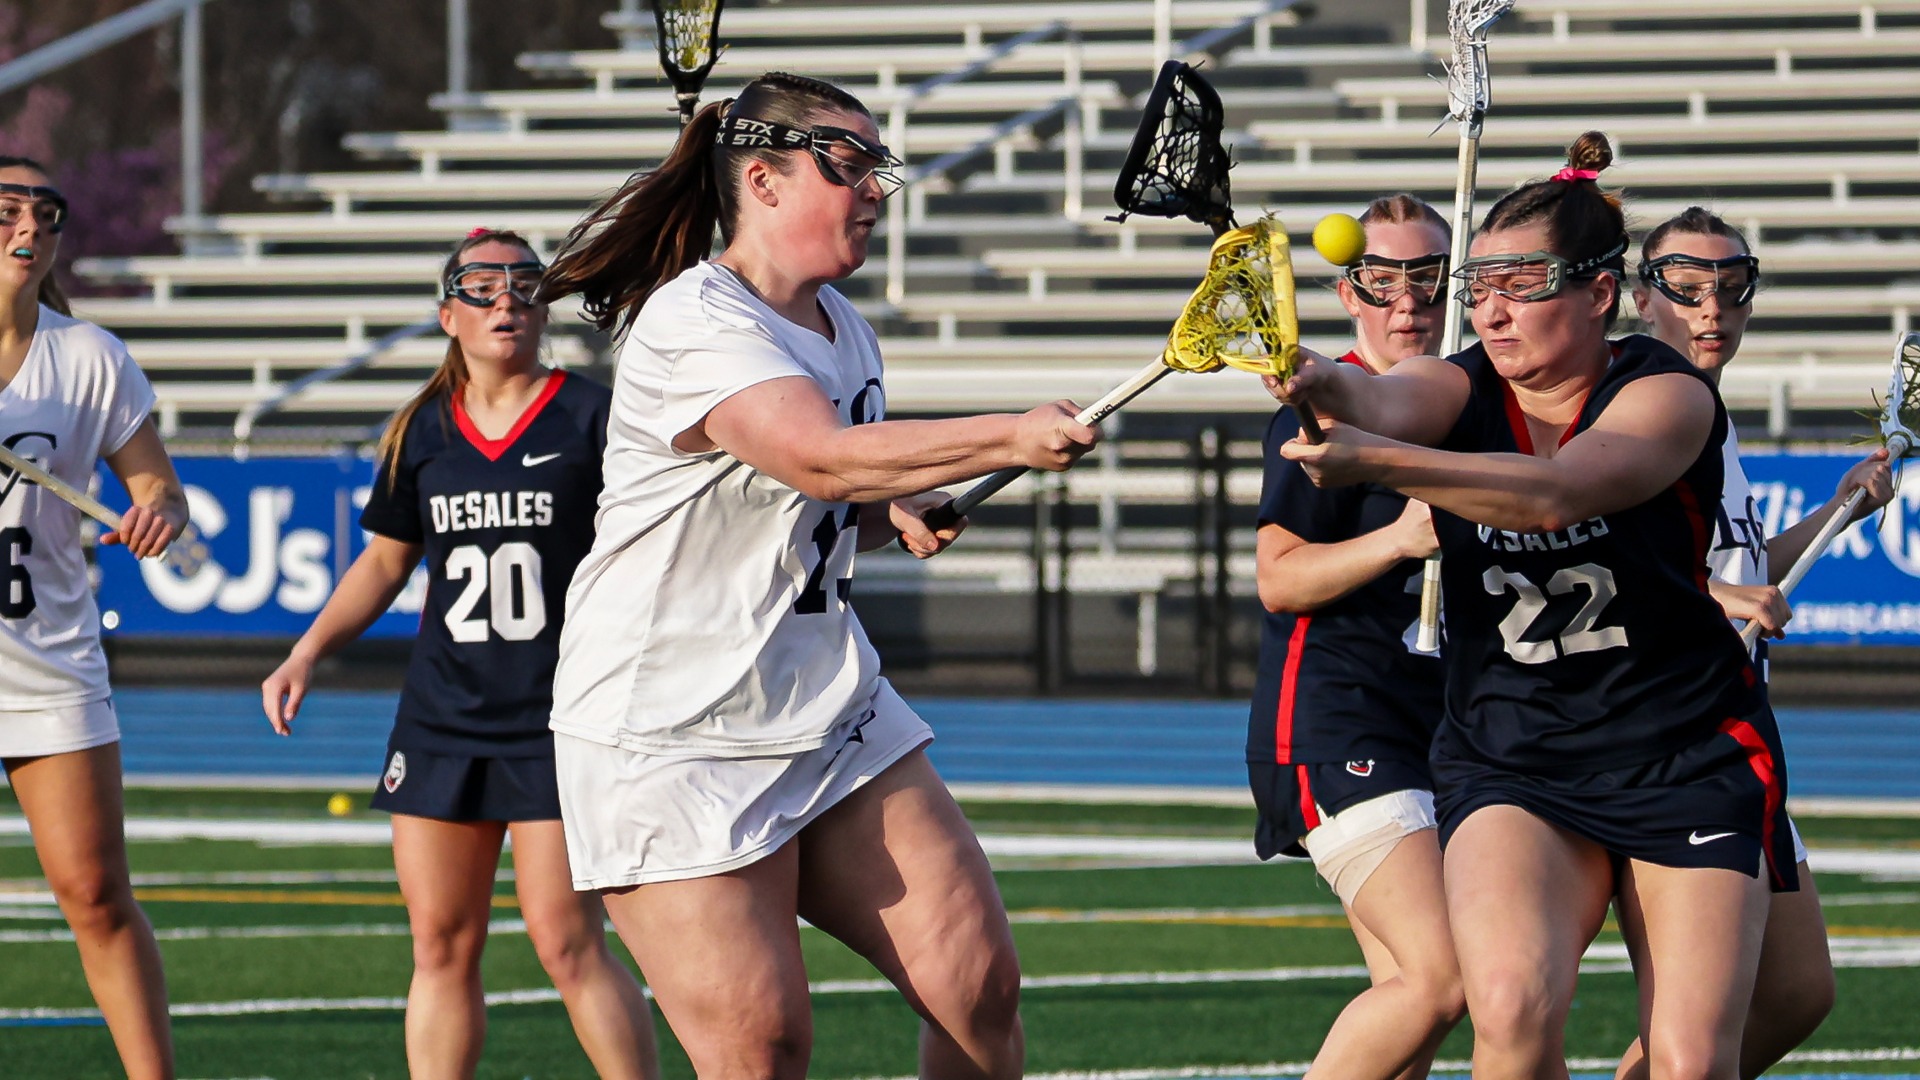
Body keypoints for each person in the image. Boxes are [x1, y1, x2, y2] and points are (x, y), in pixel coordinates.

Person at [535, 71, 1097, 1079]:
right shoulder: (696, 318)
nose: (877, 189)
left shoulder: (847, 326)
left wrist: (893, 513)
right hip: (671, 735)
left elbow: (824, 504)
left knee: (976, 985)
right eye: (851, 165)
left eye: (880, 165)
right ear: (763, 179)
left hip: (826, 706)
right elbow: (815, 456)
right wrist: (1005, 432)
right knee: (761, 1050)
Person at [1273, 133, 1792, 1079]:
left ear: (1599, 293)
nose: (1492, 311)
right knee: (1506, 1010)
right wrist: (1318, 382)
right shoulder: (1459, 381)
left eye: (1523, 283)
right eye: (1480, 286)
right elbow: (1380, 400)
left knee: (1688, 1060)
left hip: (1679, 750)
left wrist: (1379, 463)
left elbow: (1556, 491)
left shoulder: (1666, 395)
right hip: (1513, 755)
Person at [260, 229, 659, 1080]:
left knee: (566, 942)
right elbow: (384, 561)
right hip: (442, 714)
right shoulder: (421, 428)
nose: (506, 299)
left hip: (559, 717)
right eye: (482, 286)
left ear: (545, 307)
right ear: (448, 315)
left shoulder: (594, 415)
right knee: (440, 944)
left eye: (524, 283)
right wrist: (306, 653)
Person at [1614, 206, 1893, 1080]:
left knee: (1798, 990)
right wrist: (1713, 594)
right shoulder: (1633, 406)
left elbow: (1738, 564)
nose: (1713, 312)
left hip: (1732, 727)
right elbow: (1598, 557)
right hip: (1660, 733)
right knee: (1699, 1043)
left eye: (1731, 291)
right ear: (1637, 296)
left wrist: (1837, 512)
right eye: (1689, 290)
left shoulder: (1710, 413)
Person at [1249, 193, 1462, 1080]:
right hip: (1338, 724)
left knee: (1408, 1006)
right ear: (1349, 292)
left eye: (1428, 278)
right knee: (1444, 979)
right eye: (1383, 281)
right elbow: (1279, 578)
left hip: (1445, 732)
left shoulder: (1470, 413)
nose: (1407, 301)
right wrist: (1400, 539)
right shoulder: (1316, 419)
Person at [0, 156, 188, 1079]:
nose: (26, 225)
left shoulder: (89, 356)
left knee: (95, 892)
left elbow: (157, 484)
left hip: (47, 657)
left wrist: (157, 510)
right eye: (5, 209)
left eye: (43, 211)